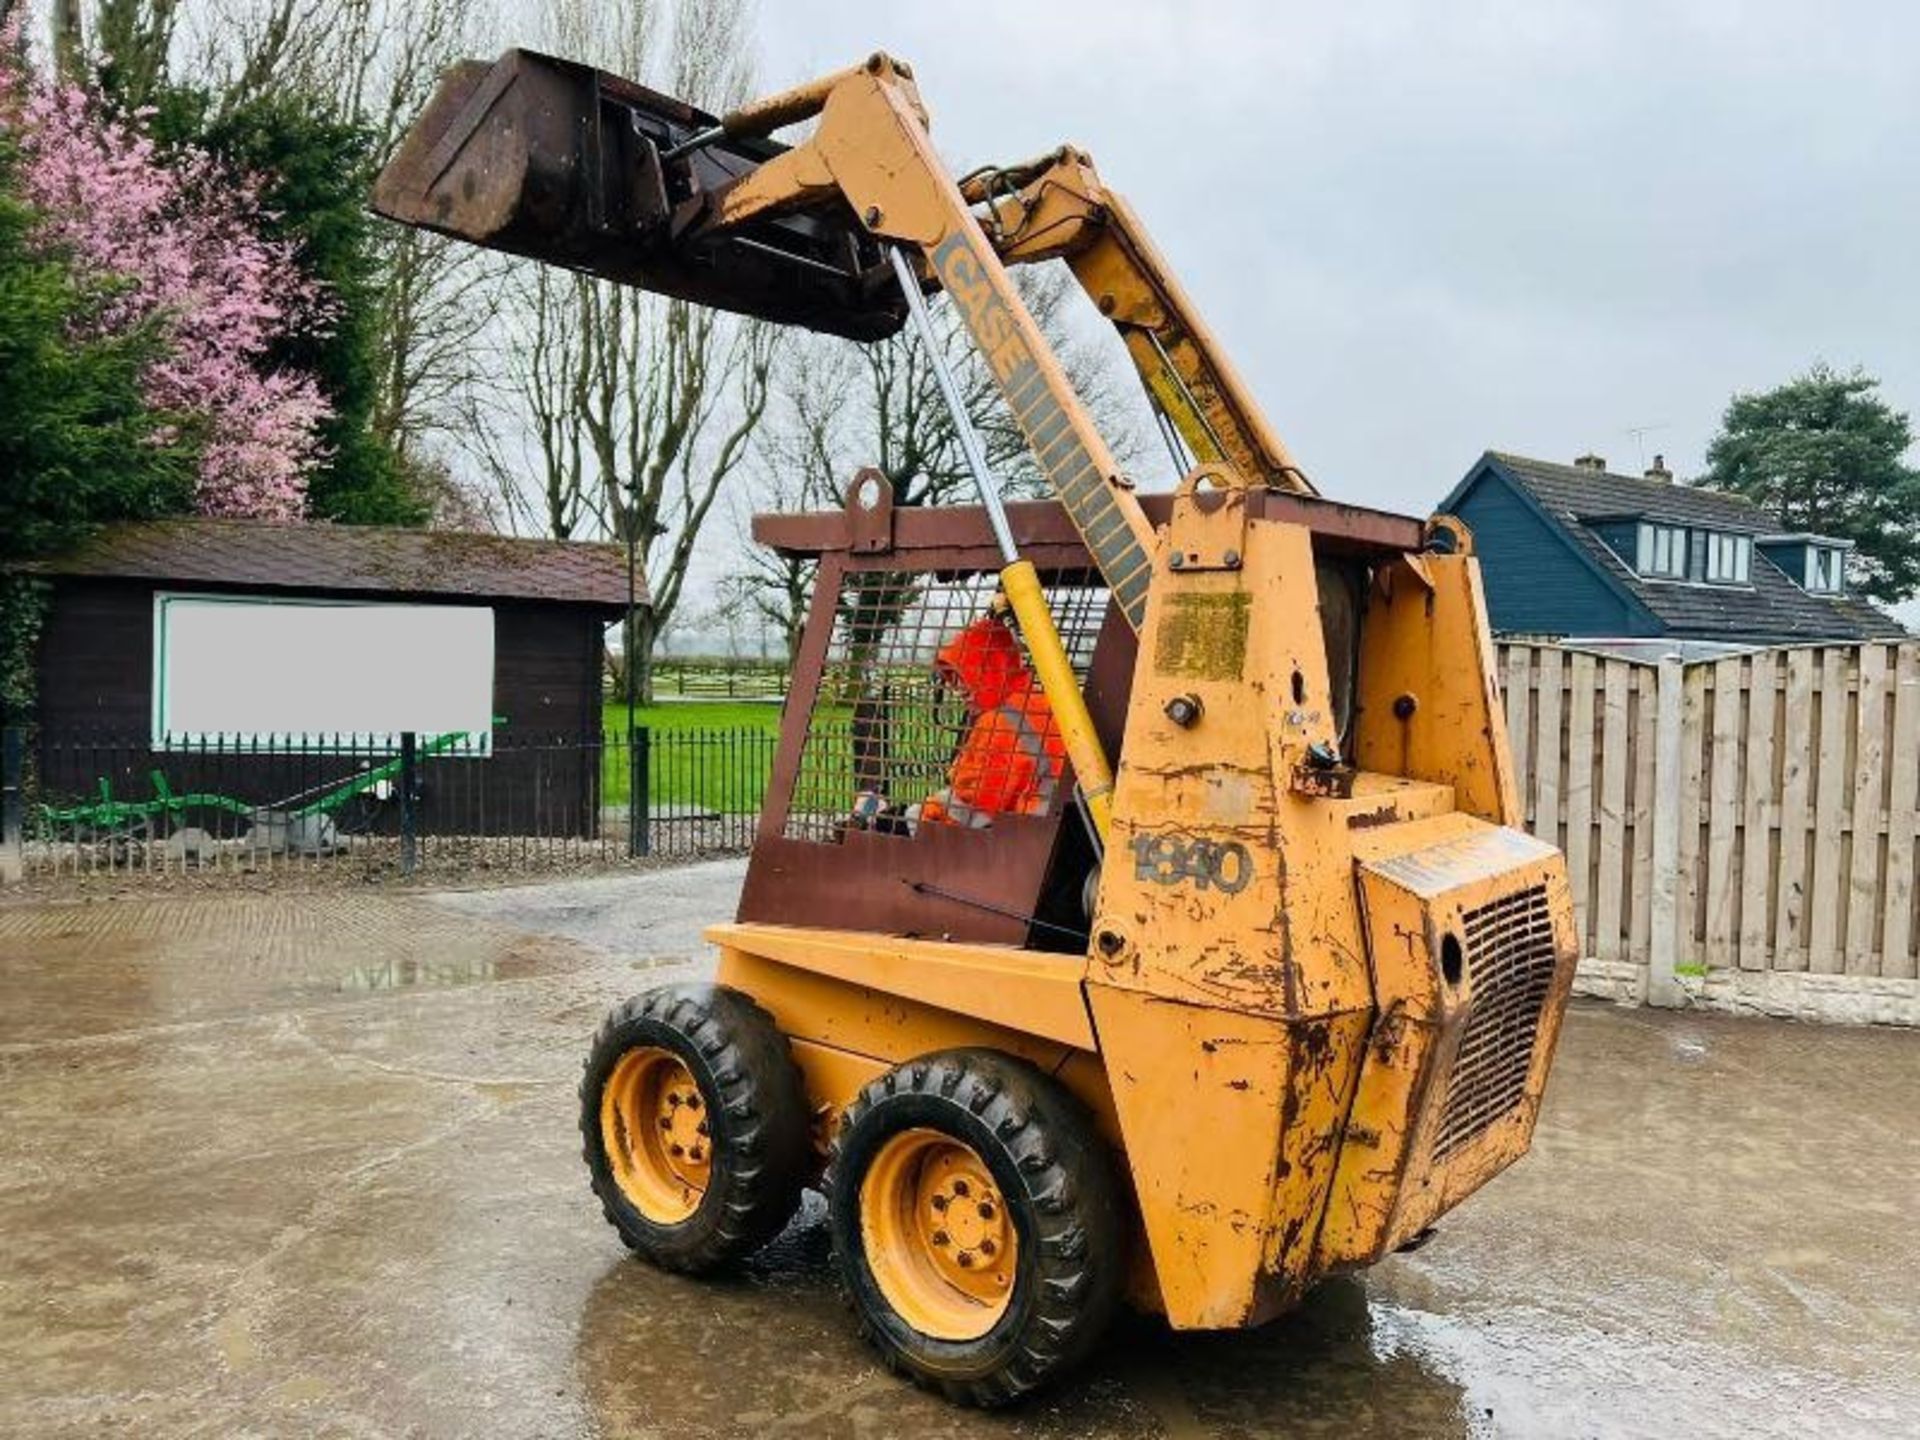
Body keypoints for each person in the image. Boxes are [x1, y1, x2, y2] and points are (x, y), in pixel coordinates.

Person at [851, 609, 1065, 834]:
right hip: (1054, 826)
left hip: (1028, 838)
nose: (959, 690)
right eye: (954, 680)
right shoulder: (1042, 704)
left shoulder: (1000, 722)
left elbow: (971, 804)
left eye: (965, 676)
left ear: (988, 669)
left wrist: (901, 820)